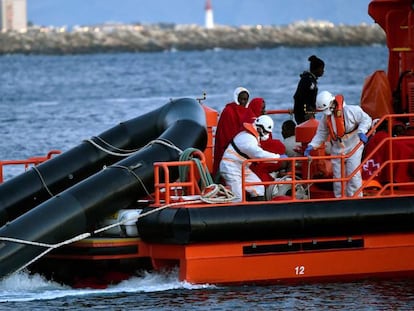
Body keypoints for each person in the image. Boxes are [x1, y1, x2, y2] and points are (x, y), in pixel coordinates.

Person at [304, 90, 372, 197]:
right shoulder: (326, 118)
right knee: (338, 178)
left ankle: (356, 198)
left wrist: (362, 131)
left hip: (354, 146)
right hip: (337, 148)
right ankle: (340, 198)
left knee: (354, 175)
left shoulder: (351, 111)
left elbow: (366, 119)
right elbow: (321, 133)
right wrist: (312, 145)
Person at [220, 115, 287, 202]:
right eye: (266, 132)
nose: (267, 135)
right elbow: (258, 154)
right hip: (231, 167)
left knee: (258, 188)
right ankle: (238, 212)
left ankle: (256, 210)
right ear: (260, 129)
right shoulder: (248, 139)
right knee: (238, 198)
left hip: (241, 166)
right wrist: (277, 157)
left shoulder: (251, 136)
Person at [213, 87, 250, 177]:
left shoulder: (248, 112)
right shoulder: (228, 111)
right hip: (227, 147)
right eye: (241, 99)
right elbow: (224, 133)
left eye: (245, 99)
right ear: (236, 98)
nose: (243, 102)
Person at [293, 55, 325, 124]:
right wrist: (307, 111)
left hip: (307, 114)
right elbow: (300, 97)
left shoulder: (310, 79)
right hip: (304, 115)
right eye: (322, 68)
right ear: (316, 69)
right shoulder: (308, 81)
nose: (323, 71)